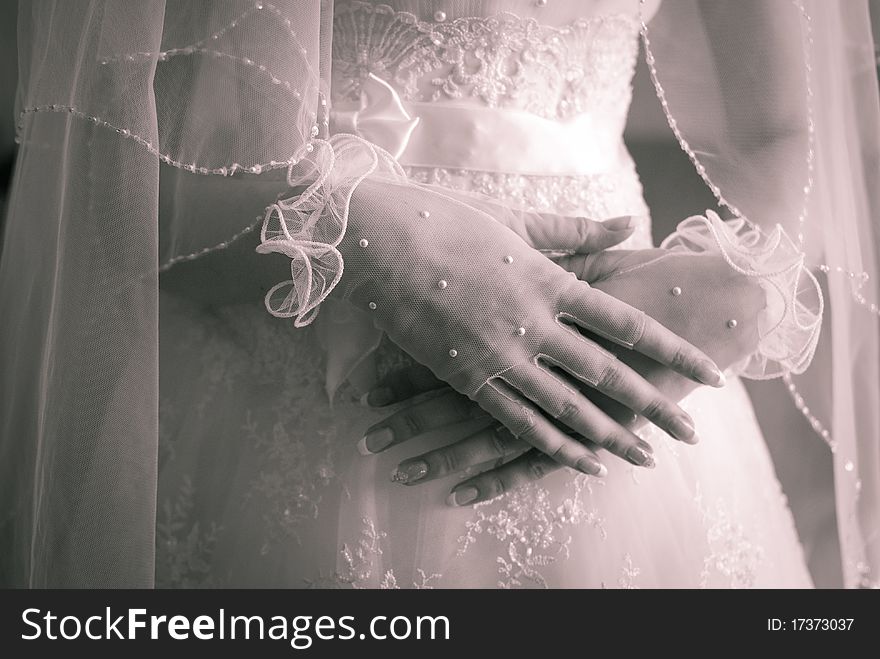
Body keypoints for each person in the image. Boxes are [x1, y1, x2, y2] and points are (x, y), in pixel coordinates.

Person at [1, 0, 877, 589]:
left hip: (612, 356)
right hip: (257, 347)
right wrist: (355, 229)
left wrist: (746, 281)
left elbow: (786, 127)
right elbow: (89, 149)